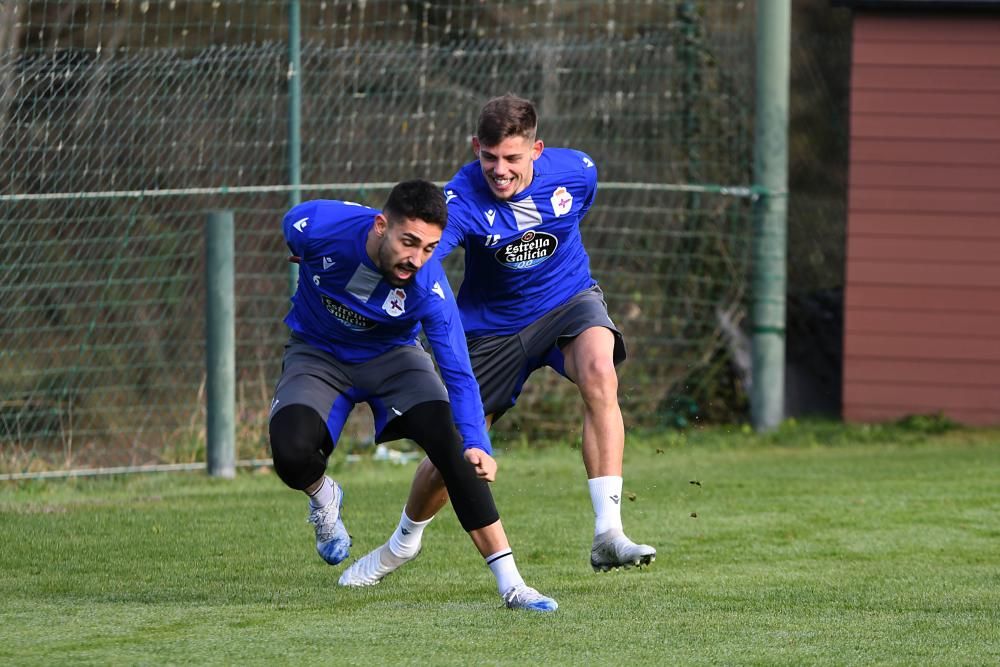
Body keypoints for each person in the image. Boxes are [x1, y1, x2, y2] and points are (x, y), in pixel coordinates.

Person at [339, 95, 655, 588]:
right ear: (475, 149)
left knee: (599, 371)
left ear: (537, 150)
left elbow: (574, 219)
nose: (499, 171)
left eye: (512, 158)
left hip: (567, 300)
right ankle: (402, 543)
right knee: (456, 451)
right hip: (489, 330)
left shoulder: (578, 172)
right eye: (489, 158)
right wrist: (362, 281)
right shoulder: (460, 201)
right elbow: (418, 259)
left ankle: (608, 532)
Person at [268, 179, 557, 611]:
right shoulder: (320, 228)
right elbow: (293, 224)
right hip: (318, 353)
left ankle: (512, 585)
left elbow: (459, 374)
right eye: (409, 242)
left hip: (394, 358)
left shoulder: (428, 289)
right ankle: (324, 497)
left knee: (455, 449)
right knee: (290, 455)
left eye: (430, 248)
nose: (417, 259)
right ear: (381, 225)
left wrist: (478, 442)